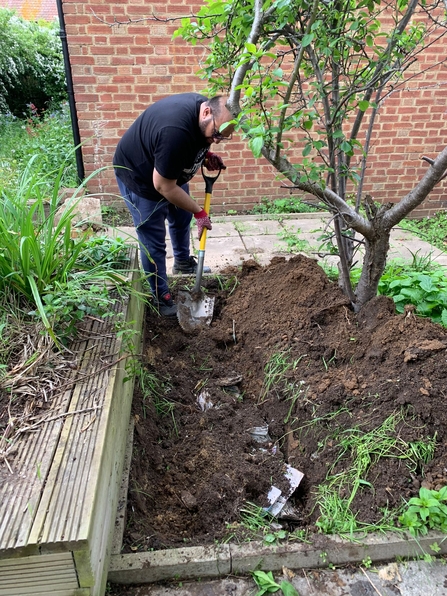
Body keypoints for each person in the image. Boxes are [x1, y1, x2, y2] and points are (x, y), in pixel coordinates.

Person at [113, 93, 234, 316]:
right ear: (206, 112)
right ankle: (161, 297)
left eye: (223, 137)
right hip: (142, 179)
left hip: (168, 173)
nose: (217, 140)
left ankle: (182, 263)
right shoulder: (174, 132)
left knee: (180, 217)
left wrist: (205, 155)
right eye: (216, 134)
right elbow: (163, 186)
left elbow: (196, 140)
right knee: (153, 242)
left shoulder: (202, 113)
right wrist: (200, 212)